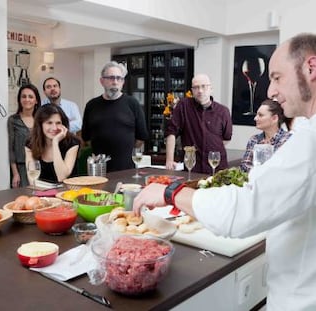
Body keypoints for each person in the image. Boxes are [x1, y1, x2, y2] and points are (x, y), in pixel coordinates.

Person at [133, 33, 316, 311]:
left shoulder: (311, 140)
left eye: (277, 77)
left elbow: (245, 209)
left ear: (311, 68)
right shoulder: (306, 131)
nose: (271, 91)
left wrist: (171, 193)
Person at [81, 61, 149, 172]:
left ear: (123, 82)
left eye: (119, 78)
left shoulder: (132, 103)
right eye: (111, 78)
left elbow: (140, 138)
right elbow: (86, 138)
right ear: (102, 81)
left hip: (126, 170)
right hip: (98, 170)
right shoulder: (91, 105)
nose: (115, 82)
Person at [165, 74, 232, 174]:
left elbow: (226, 138)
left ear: (211, 89)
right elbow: (171, 133)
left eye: (204, 86)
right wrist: (169, 160)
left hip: (217, 168)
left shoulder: (223, 111)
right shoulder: (183, 106)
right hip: (192, 167)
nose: (200, 91)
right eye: (196, 87)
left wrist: (210, 147)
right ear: (192, 91)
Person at [25, 104, 80, 183]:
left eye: (58, 123)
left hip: (68, 193)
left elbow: (62, 177)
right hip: (42, 192)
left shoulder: (72, 143)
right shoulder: (30, 144)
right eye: (49, 123)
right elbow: (32, 181)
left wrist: (55, 143)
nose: (54, 128)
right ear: (40, 125)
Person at [240, 99, 291, 172]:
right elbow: (244, 167)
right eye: (256, 115)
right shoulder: (254, 139)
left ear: (274, 118)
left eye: (260, 115)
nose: (255, 118)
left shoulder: (288, 139)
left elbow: (279, 169)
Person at [7, 84, 40, 188]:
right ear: (19, 100)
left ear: (36, 100)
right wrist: (15, 173)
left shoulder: (41, 120)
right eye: (23, 96)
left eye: (30, 96)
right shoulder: (13, 120)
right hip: (21, 169)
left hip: (39, 167)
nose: (27, 99)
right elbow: (11, 149)